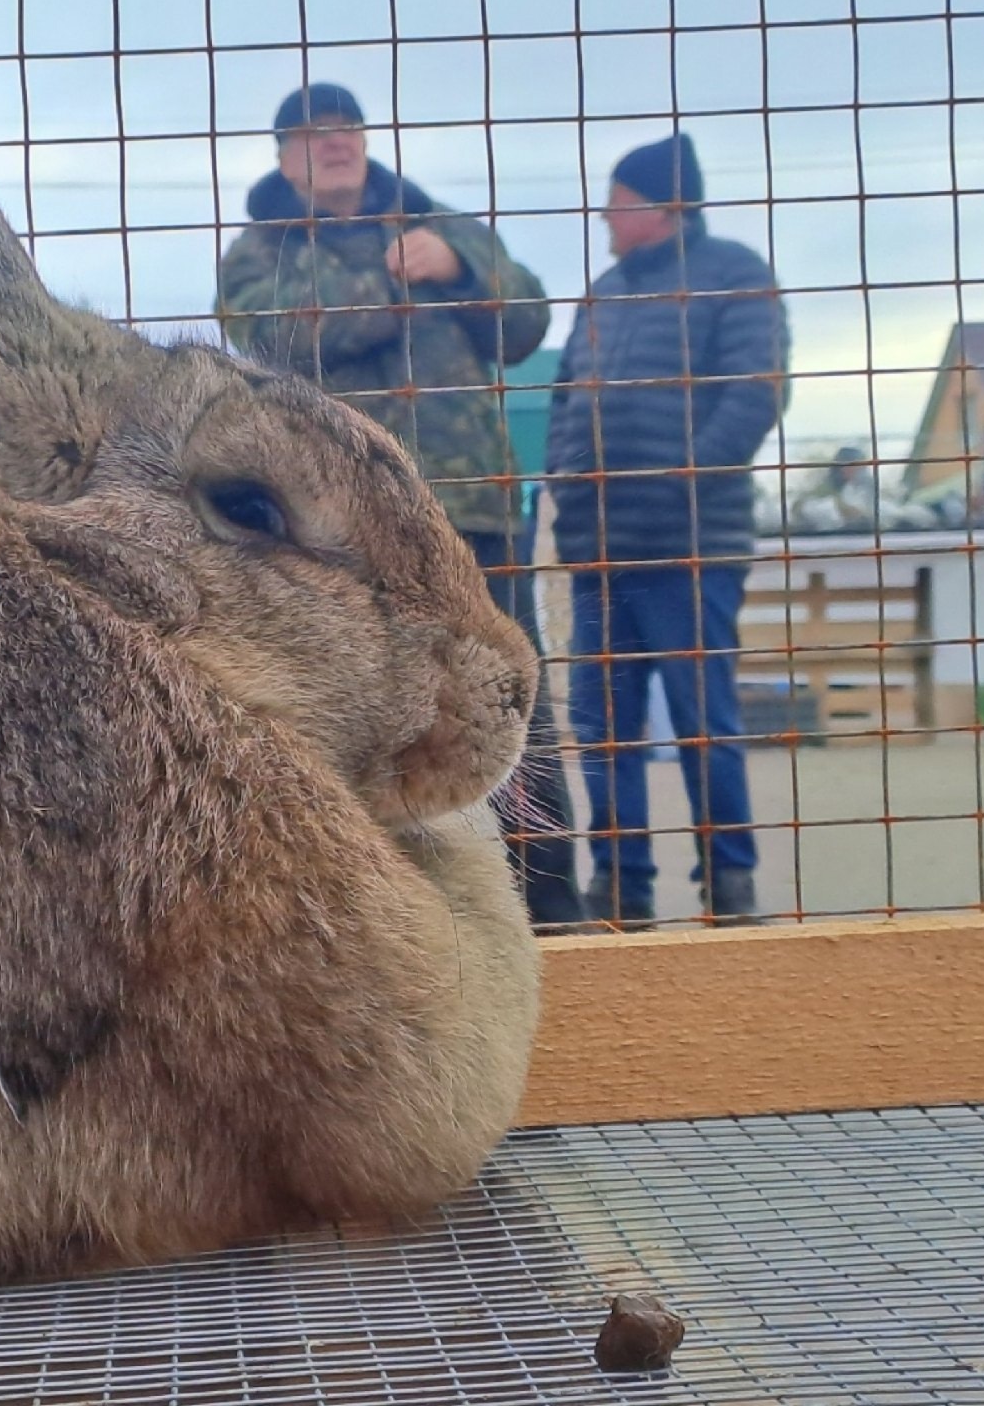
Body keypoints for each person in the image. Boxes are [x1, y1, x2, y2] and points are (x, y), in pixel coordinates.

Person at [215, 85, 587, 926]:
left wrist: (457, 269)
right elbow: (272, 334)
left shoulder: (440, 226)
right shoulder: (262, 249)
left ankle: (557, 905)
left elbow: (526, 317)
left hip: (476, 506)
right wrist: (391, 290)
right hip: (344, 534)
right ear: (284, 155)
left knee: (510, 700)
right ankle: (380, 917)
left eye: (346, 129)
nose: (336, 144)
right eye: (314, 134)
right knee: (363, 705)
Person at [546, 132, 789, 925]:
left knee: (702, 721)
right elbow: (563, 403)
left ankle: (730, 880)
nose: (606, 218)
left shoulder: (735, 277)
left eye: (616, 202)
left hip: (690, 548)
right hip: (599, 552)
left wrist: (682, 477)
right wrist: (567, 480)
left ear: (662, 206)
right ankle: (622, 880)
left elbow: (755, 396)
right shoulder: (603, 293)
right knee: (604, 727)